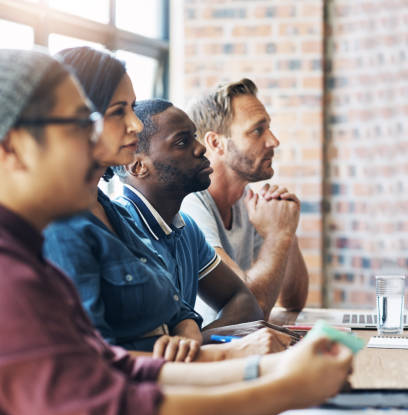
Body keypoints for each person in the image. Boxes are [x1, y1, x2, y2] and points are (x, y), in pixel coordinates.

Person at [0, 48, 353, 415]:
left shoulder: (38, 259)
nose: (101, 141)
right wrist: (282, 388)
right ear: (14, 148)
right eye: (83, 124)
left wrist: (269, 367)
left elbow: (116, 367)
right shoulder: (15, 277)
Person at [44, 48, 289, 359]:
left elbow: (177, 312)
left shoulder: (117, 216)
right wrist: (224, 356)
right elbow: (95, 361)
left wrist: (189, 332)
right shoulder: (65, 225)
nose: (134, 124)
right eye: (120, 111)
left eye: (132, 108)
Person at [113, 98, 282, 337]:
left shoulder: (185, 229)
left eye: (194, 136)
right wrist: (194, 347)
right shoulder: (120, 230)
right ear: (138, 166)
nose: (201, 148)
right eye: (182, 142)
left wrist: (195, 343)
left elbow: (245, 302)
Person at [182, 78, 309, 325]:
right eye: (257, 130)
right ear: (216, 143)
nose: (274, 141)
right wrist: (278, 235)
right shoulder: (190, 205)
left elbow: (293, 300)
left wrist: (286, 232)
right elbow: (252, 308)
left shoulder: (247, 202)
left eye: (269, 128)